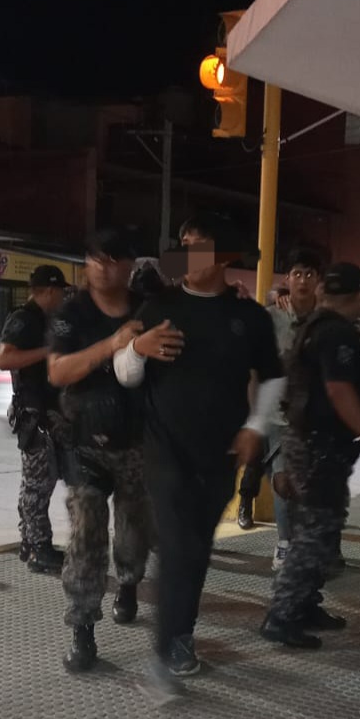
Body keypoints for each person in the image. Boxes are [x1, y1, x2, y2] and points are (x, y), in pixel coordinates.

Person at [114, 211, 284, 694]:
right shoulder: (160, 305)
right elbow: (125, 375)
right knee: (176, 544)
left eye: (198, 244)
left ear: (224, 255)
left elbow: (273, 376)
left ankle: (180, 637)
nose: (187, 252)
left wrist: (255, 428)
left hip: (221, 454)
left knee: (195, 547)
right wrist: (138, 349)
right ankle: (165, 652)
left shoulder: (249, 317)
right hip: (164, 449)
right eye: (183, 243)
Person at [262, 263, 360, 648]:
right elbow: (339, 391)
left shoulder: (317, 326)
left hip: (310, 443)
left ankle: (305, 605)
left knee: (321, 529)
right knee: (315, 533)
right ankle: (282, 615)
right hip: (318, 447)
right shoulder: (335, 333)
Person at [48, 230, 152, 673]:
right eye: (96, 258)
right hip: (85, 441)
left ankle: (128, 581)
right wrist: (112, 345)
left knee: (133, 529)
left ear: (130, 265)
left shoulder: (148, 309)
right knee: (86, 532)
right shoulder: (72, 313)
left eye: (113, 259)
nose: (103, 268)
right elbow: (58, 372)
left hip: (137, 442)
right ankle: (83, 627)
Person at [236, 248, 323, 575]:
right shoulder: (271, 317)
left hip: (311, 416)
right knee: (283, 480)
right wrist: (253, 415)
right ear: (288, 278)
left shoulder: (324, 320)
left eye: (309, 274)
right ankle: (285, 543)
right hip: (274, 414)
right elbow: (253, 368)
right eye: (297, 273)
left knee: (306, 485)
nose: (303, 280)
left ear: (318, 280)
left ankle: (308, 545)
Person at [0, 264, 68, 573]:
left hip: (47, 410)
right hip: (34, 412)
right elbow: (5, 359)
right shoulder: (23, 318)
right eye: (61, 292)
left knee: (38, 481)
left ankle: (30, 542)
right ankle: (39, 547)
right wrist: (47, 352)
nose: (63, 298)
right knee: (38, 483)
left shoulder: (44, 319)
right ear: (50, 291)